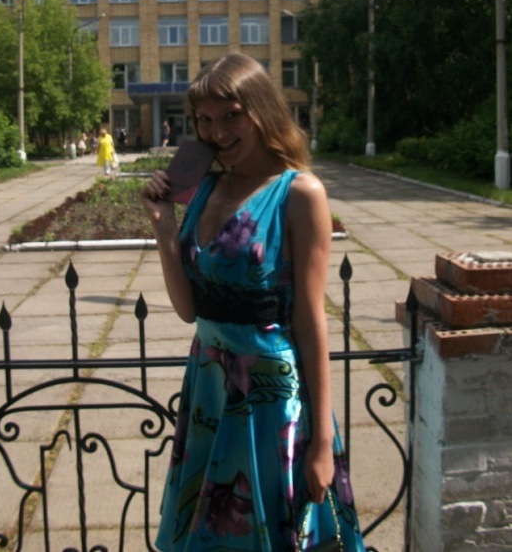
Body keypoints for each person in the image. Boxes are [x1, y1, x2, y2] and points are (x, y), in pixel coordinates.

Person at [140, 53, 365, 551]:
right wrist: (163, 230)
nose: (217, 132)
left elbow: (311, 320)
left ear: (262, 110)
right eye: (204, 120)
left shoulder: (299, 193)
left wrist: (321, 444)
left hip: (270, 399)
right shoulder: (205, 188)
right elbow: (189, 310)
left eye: (231, 115)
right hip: (209, 387)